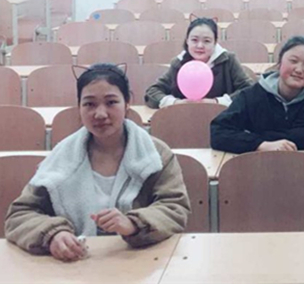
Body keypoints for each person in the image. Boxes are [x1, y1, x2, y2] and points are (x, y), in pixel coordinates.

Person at [5, 64, 190, 261]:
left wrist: (133, 224)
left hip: (141, 261)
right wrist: (53, 234)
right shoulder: (61, 158)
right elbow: (19, 215)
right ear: (79, 107)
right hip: (73, 264)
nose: (100, 114)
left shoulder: (155, 154)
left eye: (111, 102)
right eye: (89, 104)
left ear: (127, 103)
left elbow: (175, 207)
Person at [210, 36, 304, 153]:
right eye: (293, 61)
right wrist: (260, 144)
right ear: (280, 63)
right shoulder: (252, 95)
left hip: (301, 162)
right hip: (256, 162)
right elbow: (218, 131)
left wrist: (250, 134)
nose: (299, 69)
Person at [145, 17, 252, 108]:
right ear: (187, 41)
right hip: (186, 118)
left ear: (215, 42)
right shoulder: (178, 63)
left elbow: (249, 89)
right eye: (194, 40)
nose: (200, 46)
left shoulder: (228, 60)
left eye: (207, 41)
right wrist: (176, 103)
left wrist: (217, 102)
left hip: (223, 119)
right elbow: (152, 92)